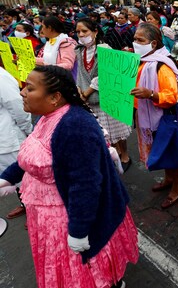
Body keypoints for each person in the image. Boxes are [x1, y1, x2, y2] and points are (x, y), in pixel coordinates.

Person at [0, 65, 138, 288]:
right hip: (48, 215)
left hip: (70, 216)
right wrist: (6, 178)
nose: (22, 92)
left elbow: (85, 186)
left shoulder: (75, 126)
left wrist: (78, 230)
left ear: (55, 97)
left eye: (30, 88)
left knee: (91, 268)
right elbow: (32, 153)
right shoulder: (47, 117)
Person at [131, 23, 178, 209]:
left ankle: (176, 188)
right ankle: (168, 179)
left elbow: (172, 97)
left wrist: (150, 94)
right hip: (148, 116)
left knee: (172, 154)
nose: (135, 43)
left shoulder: (162, 66)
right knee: (162, 151)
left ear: (153, 43)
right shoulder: (143, 60)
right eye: (134, 39)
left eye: (140, 40)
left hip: (164, 119)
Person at [75, 18, 132, 171]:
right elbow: (80, 73)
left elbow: (107, 73)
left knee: (117, 129)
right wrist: (79, 89)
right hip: (89, 99)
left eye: (85, 31)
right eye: (78, 32)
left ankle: (125, 154)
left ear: (95, 31)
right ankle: (113, 155)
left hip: (107, 96)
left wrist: (87, 92)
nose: (81, 35)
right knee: (105, 131)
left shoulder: (105, 49)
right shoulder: (80, 50)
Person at [0, 66, 32, 219]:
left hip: (10, 139)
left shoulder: (2, 77)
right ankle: (26, 206)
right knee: (12, 180)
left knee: (27, 179)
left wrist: (29, 131)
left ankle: (36, 212)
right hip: (2, 142)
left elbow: (19, 108)